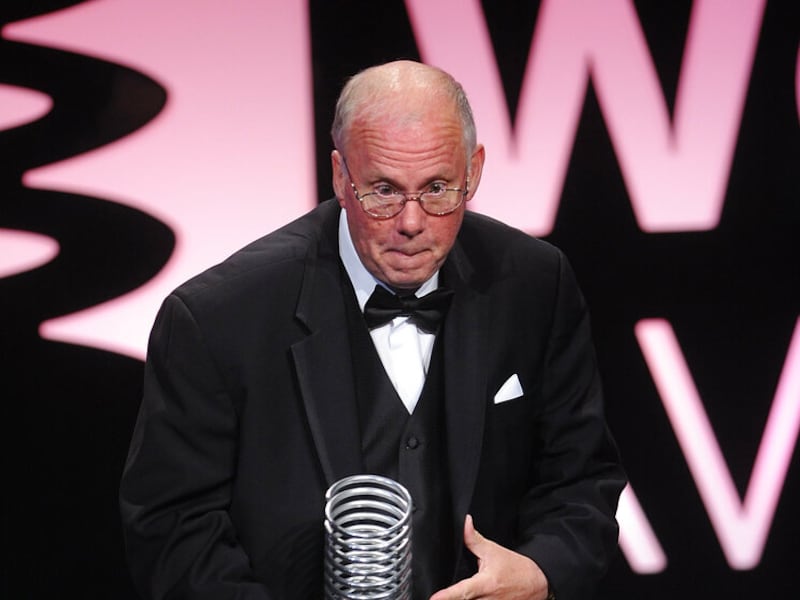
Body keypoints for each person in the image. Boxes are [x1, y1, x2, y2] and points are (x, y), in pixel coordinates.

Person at [120, 60, 625, 600]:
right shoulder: (218, 318)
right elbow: (173, 531)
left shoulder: (534, 284)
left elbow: (581, 479)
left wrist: (541, 574)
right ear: (341, 177)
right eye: (383, 191)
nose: (411, 223)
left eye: (437, 189)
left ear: (473, 172)